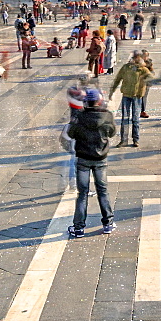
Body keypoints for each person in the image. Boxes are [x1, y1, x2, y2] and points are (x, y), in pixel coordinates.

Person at [67, 87, 116, 238]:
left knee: (82, 194)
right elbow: (112, 132)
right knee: (103, 191)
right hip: (100, 158)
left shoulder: (79, 116)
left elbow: (71, 133)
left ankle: (79, 228)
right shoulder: (106, 116)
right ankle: (107, 224)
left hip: (83, 158)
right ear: (99, 101)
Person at [108, 51, 152, 147]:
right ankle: (123, 140)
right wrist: (112, 92)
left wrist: (144, 86)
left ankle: (136, 139)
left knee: (135, 119)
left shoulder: (143, 69)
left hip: (137, 96)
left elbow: (151, 79)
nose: (135, 59)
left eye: (137, 57)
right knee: (125, 119)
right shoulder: (126, 67)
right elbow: (117, 79)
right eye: (134, 57)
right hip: (126, 96)